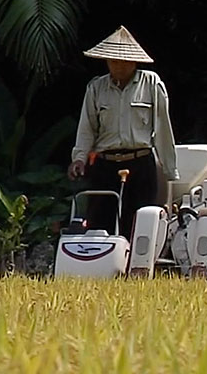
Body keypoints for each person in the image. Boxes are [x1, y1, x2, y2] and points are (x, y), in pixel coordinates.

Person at [67, 25, 179, 239]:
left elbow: (164, 130)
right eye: (112, 61)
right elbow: (87, 128)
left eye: (122, 61)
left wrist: (170, 172)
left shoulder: (151, 84)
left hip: (140, 163)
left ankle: (135, 269)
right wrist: (79, 158)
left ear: (133, 62)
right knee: (99, 222)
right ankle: (99, 268)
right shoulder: (96, 88)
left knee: (139, 224)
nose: (117, 67)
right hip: (105, 164)